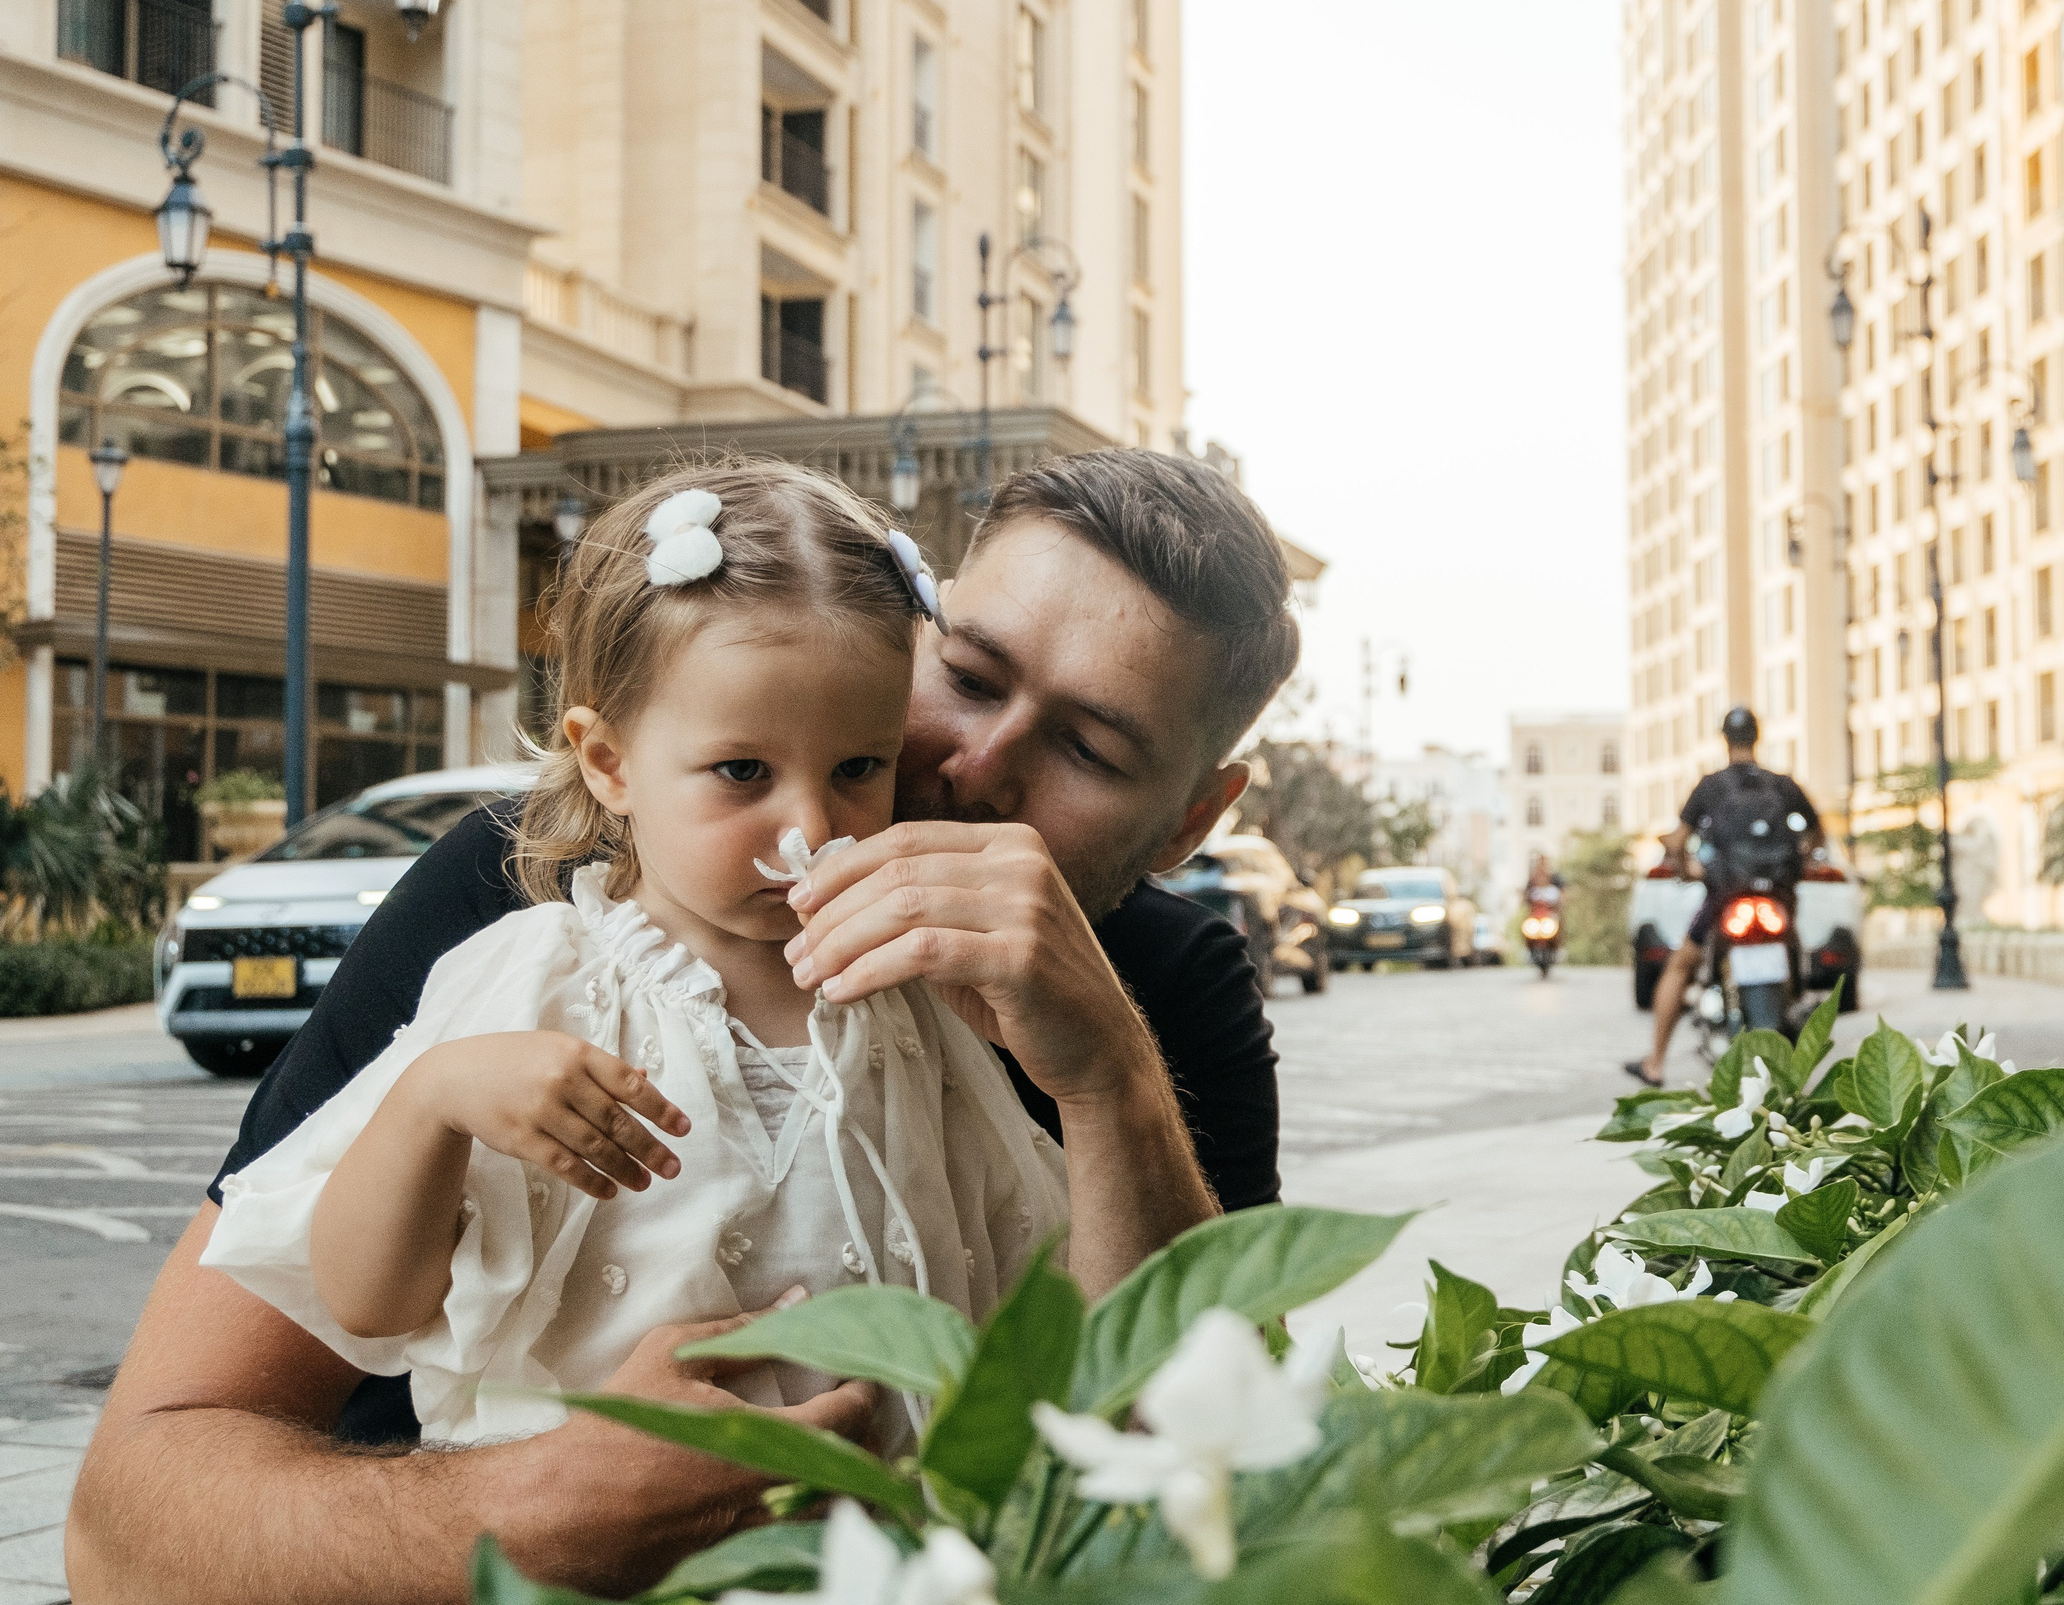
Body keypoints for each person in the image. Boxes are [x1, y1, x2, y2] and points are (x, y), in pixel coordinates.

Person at [69, 448, 1302, 1604]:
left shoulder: (1149, 995)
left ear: (1191, 823)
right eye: (968, 679)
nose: (974, 768)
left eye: (1087, 747)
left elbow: (1189, 1479)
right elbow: (128, 1523)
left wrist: (1108, 1083)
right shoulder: (527, 900)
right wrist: (549, 1507)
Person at [200, 462, 1073, 1454]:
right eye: (742, 770)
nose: (810, 826)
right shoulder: (540, 978)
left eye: (858, 768)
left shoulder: (910, 997)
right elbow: (369, 1304)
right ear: (609, 762)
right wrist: (433, 1101)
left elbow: (1028, 1276)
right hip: (572, 1540)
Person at [1625, 707, 1824, 1086]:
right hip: (1778, 897)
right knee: (1797, 952)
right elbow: (1817, 833)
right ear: (1757, 737)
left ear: (1725, 740)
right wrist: (1803, 859)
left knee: (1680, 966)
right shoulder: (1783, 785)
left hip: (1726, 898)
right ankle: (1795, 1003)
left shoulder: (1710, 786)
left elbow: (1677, 841)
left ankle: (1655, 1062)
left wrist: (1685, 867)